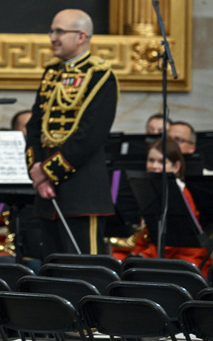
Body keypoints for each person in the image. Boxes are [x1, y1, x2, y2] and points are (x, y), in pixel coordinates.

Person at [25, 9, 119, 255]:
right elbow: (35, 126)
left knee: (85, 273)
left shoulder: (100, 76)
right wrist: (35, 167)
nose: (53, 37)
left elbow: (90, 136)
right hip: (47, 196)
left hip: (82, 192)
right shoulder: (51, 73)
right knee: (51, 274)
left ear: (81, 36)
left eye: (60, 32)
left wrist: (47, 173)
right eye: (52, 31)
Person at [127, 138, 211, 277]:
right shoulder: (151, 188)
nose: (154, 166)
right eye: (151, 160)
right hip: (161, 254)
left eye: (161, 162)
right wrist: (136, 252)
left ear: (176, 167)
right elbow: (148, 232)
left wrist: (143, 256)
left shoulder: (180, 192)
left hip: (185, 259)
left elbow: (175, 237)